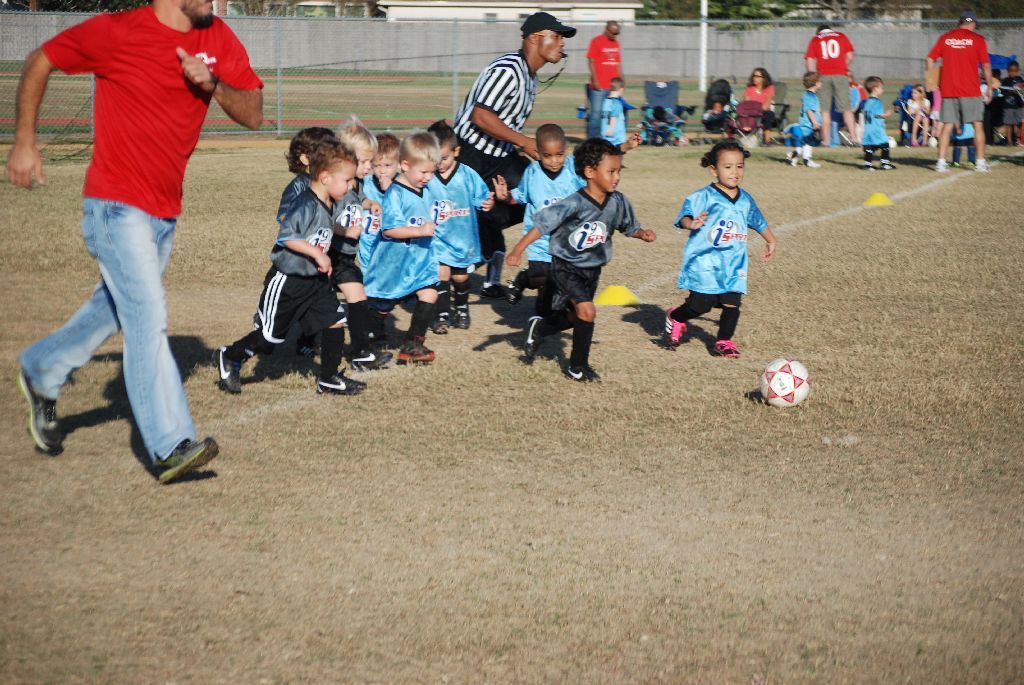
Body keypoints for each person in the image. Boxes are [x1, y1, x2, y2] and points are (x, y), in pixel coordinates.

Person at [7, 0, 263, 483]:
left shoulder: (218, 37)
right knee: (146, 315)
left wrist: (212, 83)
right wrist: (25, 141)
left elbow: (253, 113)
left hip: (164, 211)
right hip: (114, 204)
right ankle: (170, 445)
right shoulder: (118, 32)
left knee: (111, 310)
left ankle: (41, 368)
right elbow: (41, 59)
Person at [216, 139, 366, 398]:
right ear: (325, 177)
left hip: (315, 282)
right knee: (268, 339)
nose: (351, 185)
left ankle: (329, 378)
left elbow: (322, 226)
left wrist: (341, 231)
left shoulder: (330, 200)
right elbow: (287, 237)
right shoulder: (305, 203)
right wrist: (318, 254)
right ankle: (231, 356)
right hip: (289, 282)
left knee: (335, 321)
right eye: (347, 180)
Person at [506, 138, 656, 382]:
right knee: (587, 311)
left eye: (619, 171)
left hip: (592, 269)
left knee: (576, 316)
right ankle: (577, 367)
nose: (616, 177)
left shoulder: (617, 201)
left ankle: (540, 329)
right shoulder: (573, 203)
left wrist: (642, 234)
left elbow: (627, 226)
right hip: (566, 267)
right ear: (589, 172)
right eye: (611, 172)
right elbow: (542, 225)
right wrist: (517, 249)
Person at [452, 11, 576, 299]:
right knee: (458, 217)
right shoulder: (508, 69)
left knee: (531, 196)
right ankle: (461, 263)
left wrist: (527, 148)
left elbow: (505, 124)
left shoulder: (529, 76)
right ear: (534, 38)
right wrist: (523, 141)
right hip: (470, 155)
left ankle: (483, 254)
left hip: (499, 156)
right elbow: (481, 116)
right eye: (556, 36)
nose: (561, 43)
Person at [664, 140, 777, 359]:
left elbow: (758, 220)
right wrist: (691, 223)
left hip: (734, 263)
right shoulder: (704, 196)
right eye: (728, 167)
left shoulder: (745, 199)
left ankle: (724, 341)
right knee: (700, 306)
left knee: (731, 303)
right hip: (705, 262)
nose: (735, 172)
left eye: (740, 166)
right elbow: (685, 215)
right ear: (714, 170)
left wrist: (771, 240)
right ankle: (676, 317)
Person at [364, 131, 441, 364]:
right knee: (383, 306)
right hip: (393, 265)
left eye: (432, 172)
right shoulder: (395, 194)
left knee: (429, 293)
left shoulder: (425, 189)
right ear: (405, 165)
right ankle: (366, 340)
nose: (429, 177)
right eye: (424, 172)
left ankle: (412, 345)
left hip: (419, 263)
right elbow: (389, 230)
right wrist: (420, 231)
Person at [494, 124, 585, 316]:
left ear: (566, 150)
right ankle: (522, 280)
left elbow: (591, 188)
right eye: (547, 156)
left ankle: (545, 313)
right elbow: (521, 195)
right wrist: (506, 196)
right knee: (539, 275)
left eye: (559, 155)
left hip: (567, 241)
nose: (554, 161)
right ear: (538, 152)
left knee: (556, 290)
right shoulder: (532, 172)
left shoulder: (573, 169)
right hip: (539, 239)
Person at [425, 120, 494, 333]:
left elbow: (482, 197)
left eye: (444, 158)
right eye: (434, 159)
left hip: (462, 239)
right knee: (441, 274)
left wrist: (487, 203)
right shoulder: (427, 177)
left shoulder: (467, 175)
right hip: (437, 239)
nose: (439, 164)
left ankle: (462, 309)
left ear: (456, 151)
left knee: (460, 277)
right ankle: (442, 314)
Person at [927, 11, 996, 172]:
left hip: (949, 89)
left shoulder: (945, 38)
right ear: (973, 24)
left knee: (947, 126)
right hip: (971, 90)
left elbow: (930, 59)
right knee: (977, 125)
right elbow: (986, 65)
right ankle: (980, 163)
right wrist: (989, 86)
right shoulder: (978, 39)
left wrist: (932, 81)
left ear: (960, 22)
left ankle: (941, 163)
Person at [361, 132, 400, 346]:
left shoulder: (403, 186)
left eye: (387, 165)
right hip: (368, 247)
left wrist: (391, 191)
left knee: (386, 292)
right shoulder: (365, 184)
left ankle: (376, 324)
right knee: (370, 289)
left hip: (391, 251)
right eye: (377, 165)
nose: (381, 170)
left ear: (399, 164)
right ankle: (373, 328)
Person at [805, 23, 857, 146]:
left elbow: (810, 60)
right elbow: (850, 57)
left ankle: (826, 141)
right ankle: (854, 138)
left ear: (818, 32)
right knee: (846, 108)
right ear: (830, 30)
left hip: (822, 76)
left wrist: (813, 77)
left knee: (824, 110)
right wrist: (842, 66)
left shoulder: (816, 39)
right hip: (840, 74)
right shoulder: (841, 36)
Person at [586, 20, 623, 140]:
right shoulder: (596, 41)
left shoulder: (616, 43)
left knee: (612, 113)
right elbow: (591, 61)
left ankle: (606, 138)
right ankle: (592, 140)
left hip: (613, 86)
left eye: (617, 33)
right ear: (606, 30)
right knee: (596, 113)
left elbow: (618, 64)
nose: (615, 35)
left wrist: (622, 80)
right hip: (599, 86)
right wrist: (595, 80)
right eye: (613, 32)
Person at [784, 72, 822, 168]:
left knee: (807, 143)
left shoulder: (811, 95)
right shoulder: (809, 96)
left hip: (810, 125)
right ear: (815, 83)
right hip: (807, 125)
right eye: (820, 81)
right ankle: (799, 158)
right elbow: (809, 111)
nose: (821, 83)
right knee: (806, 143)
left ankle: (804, 159)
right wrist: (815, 123)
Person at [860, 77, 895, 170]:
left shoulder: (867, 101)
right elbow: (879, 116)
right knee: (885, 144)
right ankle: (884, 164)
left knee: (870, 147)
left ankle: (867, 165)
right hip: (876, 129)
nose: (882, 90)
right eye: (881, 88)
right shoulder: (877, 102)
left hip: (868, 129)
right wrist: (891, 111)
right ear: (875, 89)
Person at [742, 67, 777, 144]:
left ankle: (767, 140)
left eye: (757, 76)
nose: (754, 78)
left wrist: (754, 106)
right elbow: (747, 105)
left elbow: (766, 107)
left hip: (764, 113)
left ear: (763, 78)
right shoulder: (749, 89)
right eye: (754, 76)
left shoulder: (769, 88)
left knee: (769, 114)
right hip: (751, 114)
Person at [1000, 60, 1023, 146]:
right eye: (1011, 71)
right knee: (1008, 124)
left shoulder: (1019, 79)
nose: (1013, 73)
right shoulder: (1005, 80)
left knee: (1018, 123)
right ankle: (1009, 142)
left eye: (1015, 71)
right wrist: (1010, 91)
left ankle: (1017, 140)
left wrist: (1020, 88)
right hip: (1008, 106)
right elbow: (1002, 91)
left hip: (1018, 106)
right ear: (1008, 71)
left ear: (1017, 71)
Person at [601, 77, 628, 146]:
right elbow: (613, 116)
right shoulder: (617, 103)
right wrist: (611, 129)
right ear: (621, 89)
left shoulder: (605, 101)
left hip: (605, 133)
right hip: (616, 136)